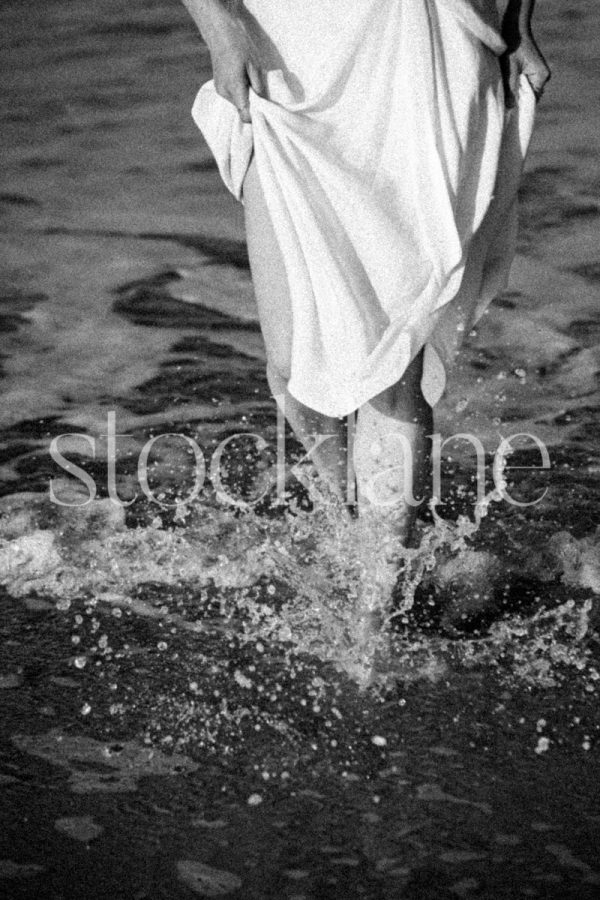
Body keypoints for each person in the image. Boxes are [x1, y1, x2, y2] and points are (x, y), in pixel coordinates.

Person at [180, 1, 550, 629]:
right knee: (295, 371)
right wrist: (220, 27)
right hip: (292, 45)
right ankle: (367, 531)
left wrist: (521, 20)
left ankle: (373, 621)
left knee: (389, 362)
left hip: (428, 42)